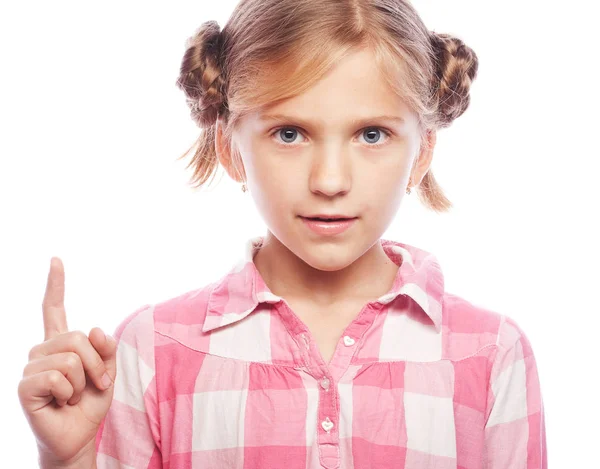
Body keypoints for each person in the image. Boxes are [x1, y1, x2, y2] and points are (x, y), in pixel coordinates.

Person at [18, 0, 547, 468]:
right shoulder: (153, 350)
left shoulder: (491, 354)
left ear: (423, 151)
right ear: (229, 146)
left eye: (372, 134)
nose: (331, 181)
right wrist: (67, 461)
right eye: (289, 134)